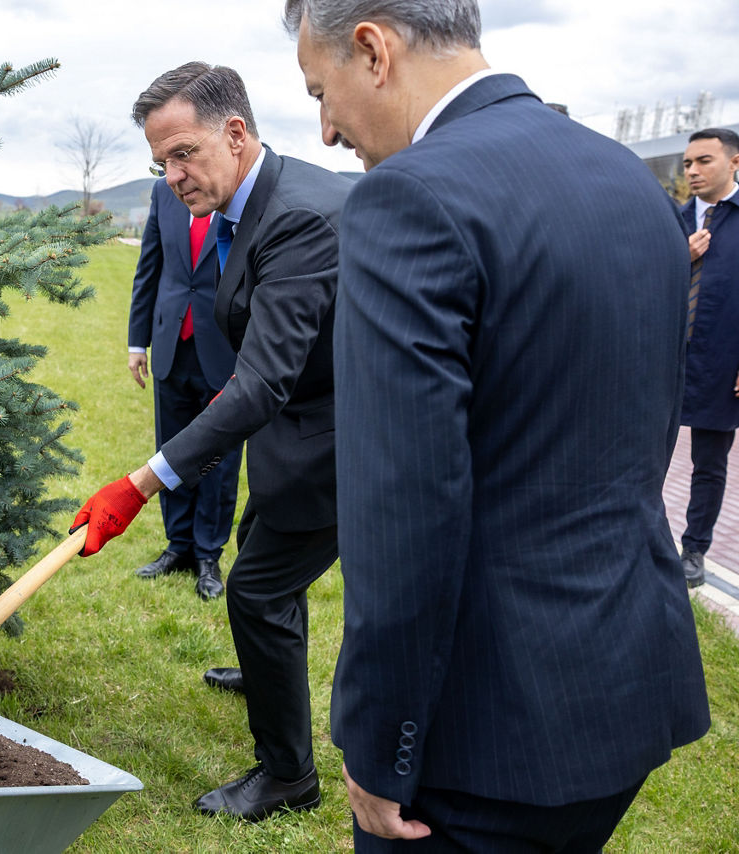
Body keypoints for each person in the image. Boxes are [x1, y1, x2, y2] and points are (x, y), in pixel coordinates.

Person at [284, 0, 711, 849]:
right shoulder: (626, 176)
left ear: (372, 48)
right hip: (629, 679)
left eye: (318, 92)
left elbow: (405, 509)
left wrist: (379, 745)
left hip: (482, 733)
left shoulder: (407, 199)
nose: (327, 131)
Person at [71, 61, 354, 821]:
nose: (173, 176)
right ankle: (267, 673)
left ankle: (289, 776)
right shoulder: (246, 206)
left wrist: (140, 483)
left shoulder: (296, 216)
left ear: (234, 133)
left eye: (184, 154)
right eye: (161, 162)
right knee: (262, 544)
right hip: (300, 420)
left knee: (258, 588)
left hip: (346, 433)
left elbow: (261, 383)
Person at [126, 177, 241, 600]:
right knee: (170, 450)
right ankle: (178, 546)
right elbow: (149, 267)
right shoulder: (163, 193)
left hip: (223, 349)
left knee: (217, 457)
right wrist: (137, 342)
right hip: (170, 345)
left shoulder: (233, 187)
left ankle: (209, 554)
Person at [677, 127, 739, 588]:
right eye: (687, 164)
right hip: (664, 360)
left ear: (734, 162)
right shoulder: (672, 220)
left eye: (704, 161)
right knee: (644, 457)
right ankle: (644, 539)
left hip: (722, 360)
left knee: (709, 465)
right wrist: (684, 258)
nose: (693, 171)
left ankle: (695, 549)